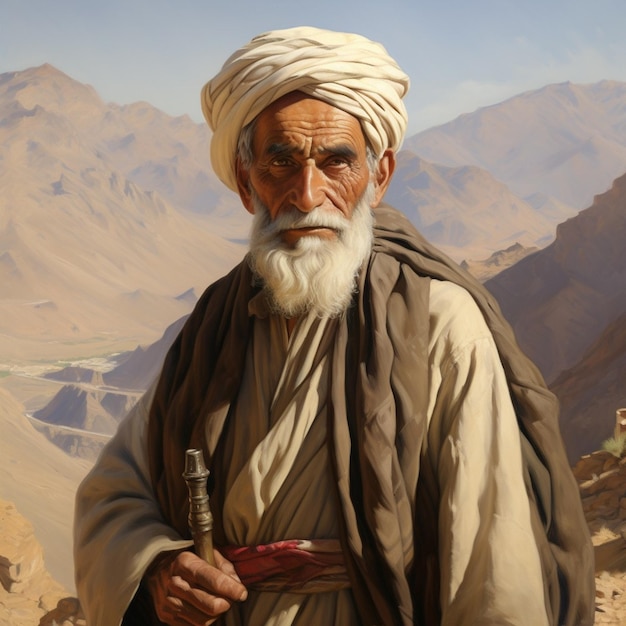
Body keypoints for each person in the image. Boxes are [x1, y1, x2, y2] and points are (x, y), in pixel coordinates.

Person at [74, 26, 595, 626]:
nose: (307, 192)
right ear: (247, 182)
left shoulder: (440, 323)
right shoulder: (213, 326)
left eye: (336, 162)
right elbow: (115, 492)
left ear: (379, 176)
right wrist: (159, 566)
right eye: (281, 162)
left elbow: (490, 555)